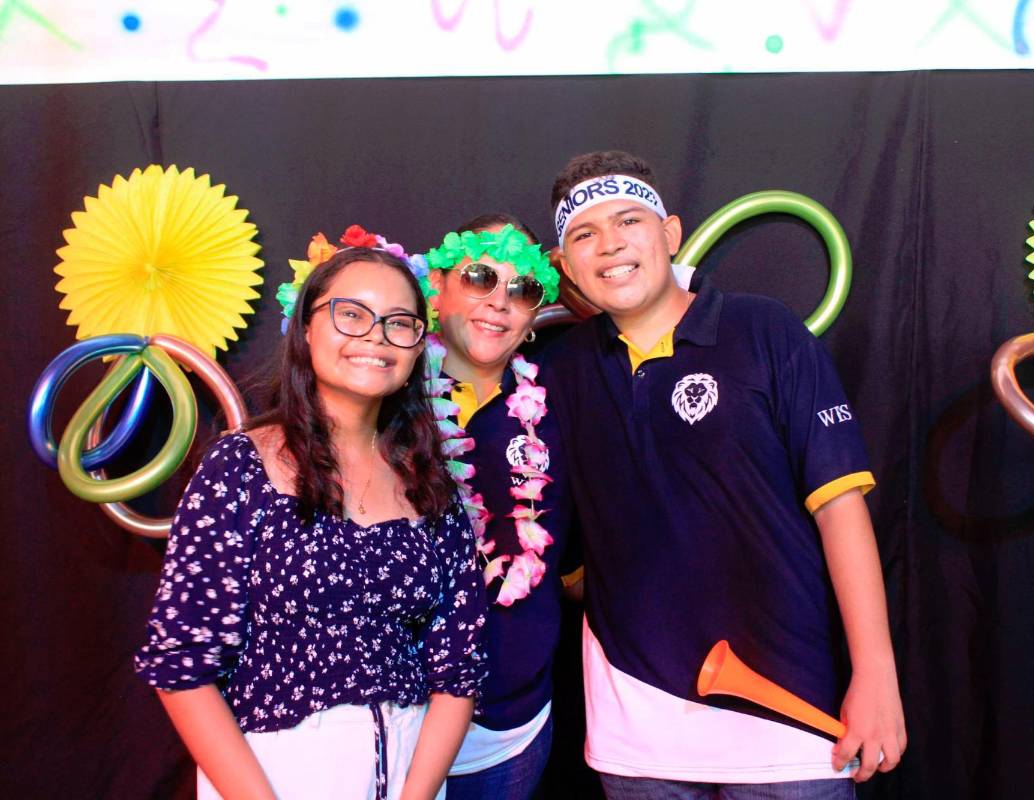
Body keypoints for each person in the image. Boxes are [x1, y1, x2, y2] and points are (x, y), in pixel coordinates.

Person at [542, 151, 906, 798]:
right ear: (566, 265)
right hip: (636, 731)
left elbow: (839, 507)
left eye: (629, 220)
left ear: (670, 233)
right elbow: (557, 533)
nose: (611, 244)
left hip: (788, 719)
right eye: (585, 233)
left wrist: (876, 673)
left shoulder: (765, 330)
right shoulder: (560, 371)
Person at [134, 227, 487, 800]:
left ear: (418, 346)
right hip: (273, 773)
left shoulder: (430, 483)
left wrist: (417, 795)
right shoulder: (240, 468)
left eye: (399, 322)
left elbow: (459, 667)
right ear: (306, 327)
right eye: (351, 314)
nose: (376, 337)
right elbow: (181, 665)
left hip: (411, 771)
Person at [416, 214, 574, 799]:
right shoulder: (384, 393)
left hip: (512, 725)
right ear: (436, 285)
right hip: (398, 717)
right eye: (480, 277)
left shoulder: (558, 404)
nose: (500, 302)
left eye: (522, 288)